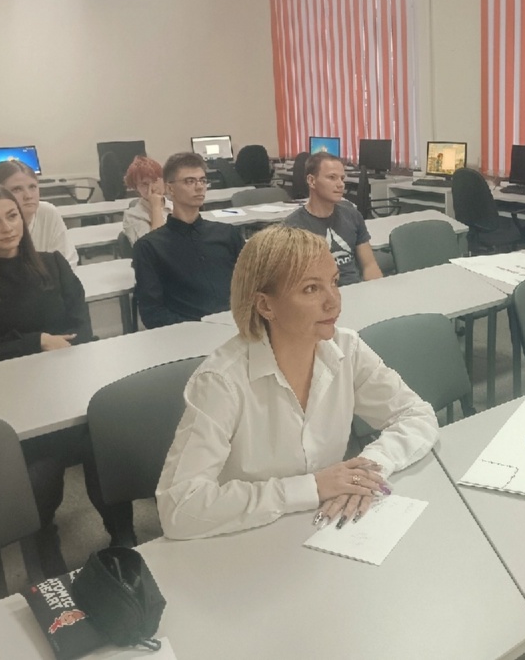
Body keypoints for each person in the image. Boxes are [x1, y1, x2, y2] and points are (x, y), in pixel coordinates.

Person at [156, 226, 439, 539]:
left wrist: (368, 469)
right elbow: (179, 508)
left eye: (334, 282)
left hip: (325, 530)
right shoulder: (221, 382)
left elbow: (416, 414)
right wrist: (311, 488)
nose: (334, 301)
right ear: (266, 305)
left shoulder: (346, 348)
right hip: (245, 537)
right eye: (311, 289)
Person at [0, 182, 135, 579]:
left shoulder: (53, 265)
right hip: (8, 405)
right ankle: (43, 541)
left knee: (107, 447)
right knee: (42, 473)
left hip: (67, 391)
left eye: (12, 216)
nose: (8, 227)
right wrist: (37, 341)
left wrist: (16, 345)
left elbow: (82, 332)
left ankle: (123, 536)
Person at [132, 152, 245, 328]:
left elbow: (252, 285)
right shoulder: (150, 247)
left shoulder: (227, 234)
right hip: (189, 334)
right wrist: (201, 327)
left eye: (203, 181)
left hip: (238, 326)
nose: (199, 187)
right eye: (189, 181)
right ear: (170, 189)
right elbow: (152, 313)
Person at [0, 160, 78, 268]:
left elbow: (67, 260)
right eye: (17, 189)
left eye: (32, 187)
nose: (28, 196)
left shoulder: (48, 212)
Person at [284, 152, 383, 286]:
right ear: (311, 181)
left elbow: (369, 265)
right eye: (332, 177)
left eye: (342, 178)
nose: (340, 184)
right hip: (320, 294)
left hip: (356, 290)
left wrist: (377, 292)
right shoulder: (293, 227)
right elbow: (294, 283)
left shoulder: (352, 215)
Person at [122, 155, 172, 244]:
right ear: (136, 188)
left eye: (155, 180)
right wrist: (156, 206)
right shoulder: (133, 216)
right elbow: (155, 247)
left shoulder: (176, 207)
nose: (152, 188)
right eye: (144, 184)